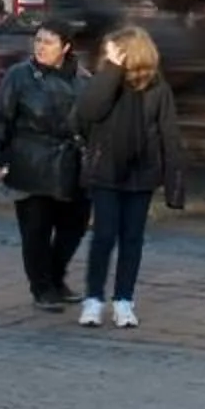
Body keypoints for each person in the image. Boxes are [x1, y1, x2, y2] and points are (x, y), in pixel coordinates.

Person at [73, 24, 185, 327]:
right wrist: (111, 71)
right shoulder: (105, 82)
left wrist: (174, 184)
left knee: (132, 238)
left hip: (142, 171)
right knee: (104, 235)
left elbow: (169, 135)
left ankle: (124, 299)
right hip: (106, 169)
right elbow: (88, 111)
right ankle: (93, 299)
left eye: (113, 51)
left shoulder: (157, 88)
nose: (107, 55)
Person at [0, 21, 90, 309]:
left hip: (71, 164)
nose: (40, 47)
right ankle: (41, 287)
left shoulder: (82, 78)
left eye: (48, 42)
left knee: (74, 226)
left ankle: (55, 276)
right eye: (38, 40)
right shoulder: (19, 75)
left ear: (65, 47)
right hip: (31, 161)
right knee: (36, 230)